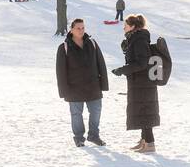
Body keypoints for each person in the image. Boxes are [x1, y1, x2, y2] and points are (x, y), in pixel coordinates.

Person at [56, 17, 109, 146]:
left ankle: (93, 135)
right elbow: (60, 72)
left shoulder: (92, 43)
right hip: (74, 88)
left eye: (83, 28)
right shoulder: (64, 47)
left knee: (96, 111)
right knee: (76, 114)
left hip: (93, 86)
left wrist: (104, 84)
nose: (81, 30)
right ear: (71, 30)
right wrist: (64, 91)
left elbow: (101, 64)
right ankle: (79, 138)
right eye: (78, 28)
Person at [113, 14, 160, 153]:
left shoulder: (139, 40)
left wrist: (123, 70)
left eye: (125, 25)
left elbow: (141, 63)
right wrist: (126, 50)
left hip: (143, 83)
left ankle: (150, 143)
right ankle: (144, 140)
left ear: (132, 26)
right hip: (139, 82)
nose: (123, 28)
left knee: (144, 111)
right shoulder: (136, 39)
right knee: (141, 111)